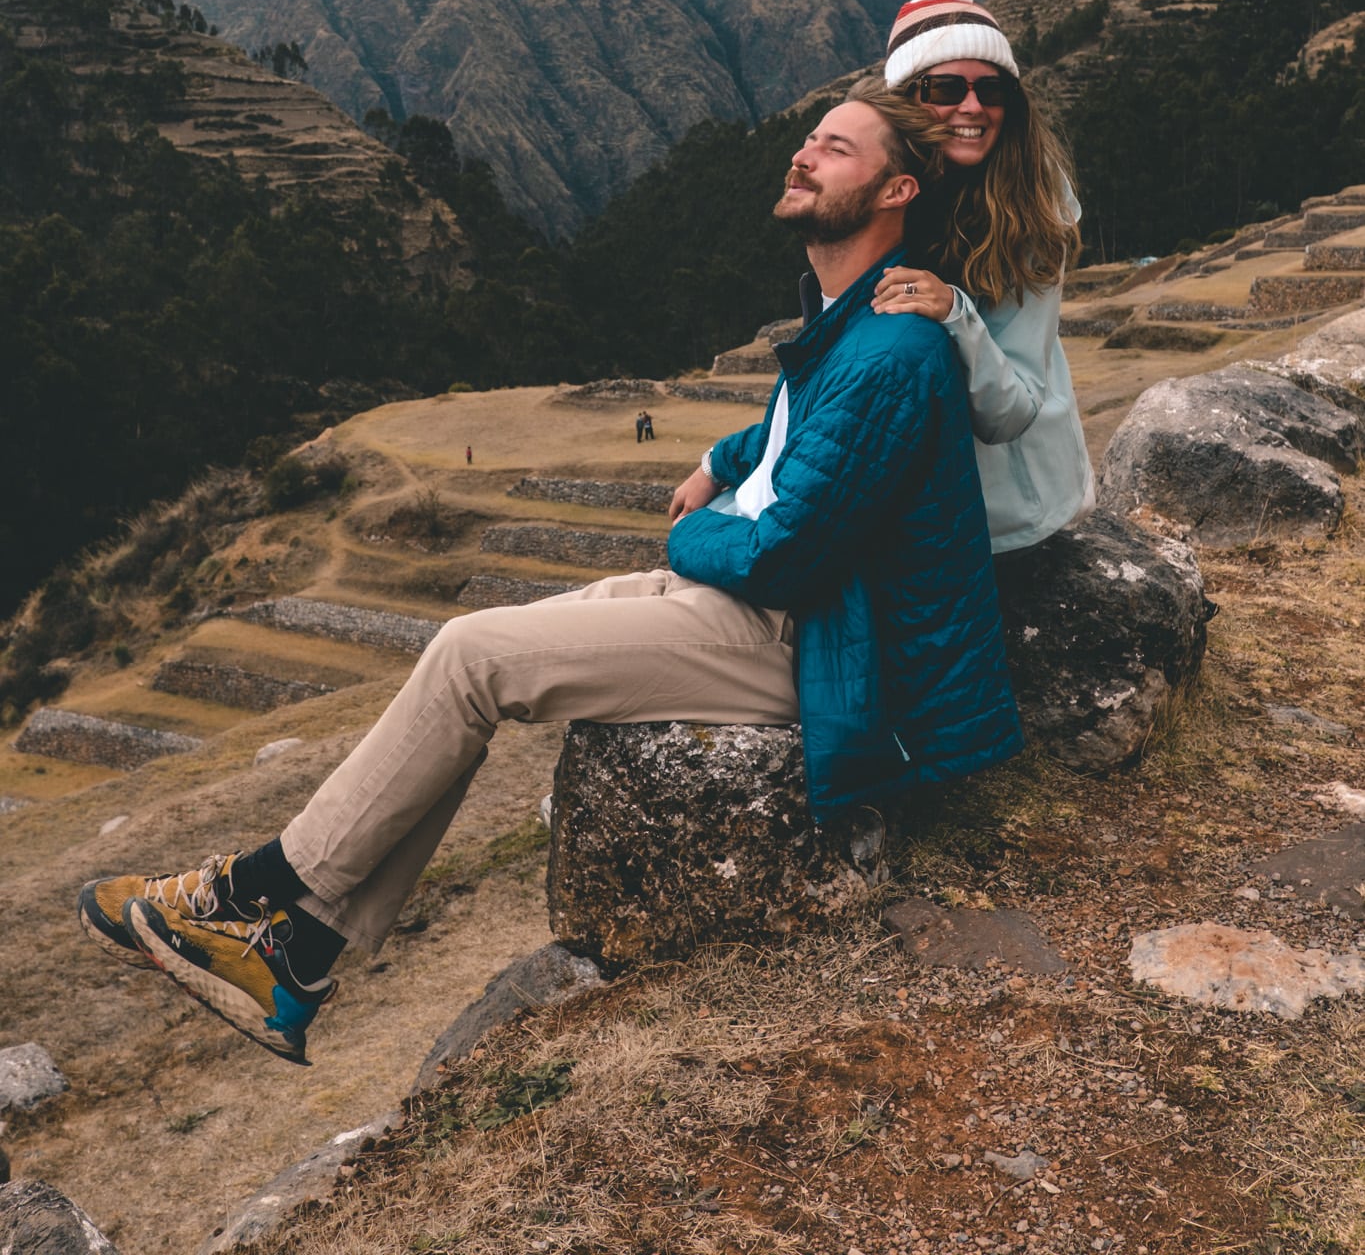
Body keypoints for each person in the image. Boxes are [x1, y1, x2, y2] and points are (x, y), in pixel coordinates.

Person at [77, 81, 1021, 1065]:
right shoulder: (852, 315)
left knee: (474, 651)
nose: (803, 155)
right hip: (794, 615)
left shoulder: (895, 346)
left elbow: (784, 553)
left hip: (820, 643)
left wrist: (688, 536)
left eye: (834, 148)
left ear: (896, 189)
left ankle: (259, 889)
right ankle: (302, 950)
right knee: (489, 649)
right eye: (808, 140)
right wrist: (724, 464)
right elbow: (804, 442)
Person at [871, 0, 1094, 557]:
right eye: (946, 87)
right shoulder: (880, 193)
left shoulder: (1031, 211)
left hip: (1012, 510)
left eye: (990, 90)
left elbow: (1012, 409)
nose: (971, 106)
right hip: (909, 498)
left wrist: (953, 311)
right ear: (907, 99)